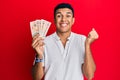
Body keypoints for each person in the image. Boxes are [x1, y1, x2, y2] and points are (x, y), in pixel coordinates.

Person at [32, 3, 99, 80]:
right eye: (59, 16)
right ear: (54, 20)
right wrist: (39, 55)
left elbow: (89, 75)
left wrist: (87, 45)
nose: (63, 19)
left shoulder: (82, 40)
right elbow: (36, 78)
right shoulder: (43, 42)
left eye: (68, 16)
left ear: (73, 20)